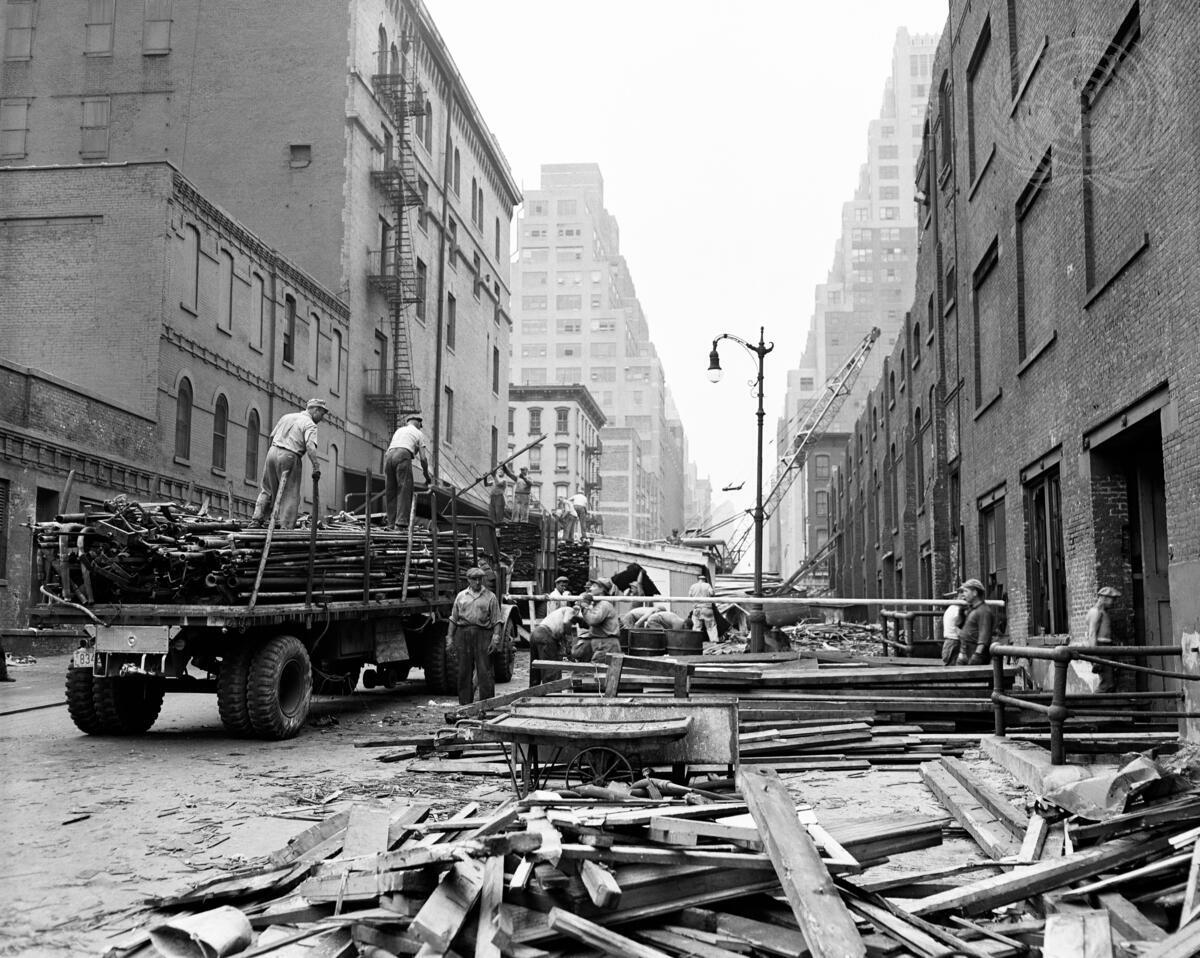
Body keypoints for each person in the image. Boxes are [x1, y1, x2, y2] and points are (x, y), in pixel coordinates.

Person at [250, 398, 327, 529]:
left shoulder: (287, 417)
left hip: (272, 452)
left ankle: (257, 519)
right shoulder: (310, 424)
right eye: (322, 413)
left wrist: (272, 455)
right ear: (315, 410)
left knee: (267, 489)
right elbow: (310, 445)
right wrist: (316, 466)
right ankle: (285, 527)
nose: (322, 418)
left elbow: (271, 437)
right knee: (290, 494)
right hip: (290, 456)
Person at [447, 567, 503, 705]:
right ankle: (465, 705)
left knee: (485, 671)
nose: (477, 582)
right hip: (463, 634)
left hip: (483, 635)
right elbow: (453, 619)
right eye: (474, 579)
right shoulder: (461, 596)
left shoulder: (490, 596)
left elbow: (497, 620)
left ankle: (487, 705)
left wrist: (495, 639)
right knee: (463, 671)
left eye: (480, 579)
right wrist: (449, 638)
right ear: (468, 580)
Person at [383, 412, 431, 529]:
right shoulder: (418, 433)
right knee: (404, 489)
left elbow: (391, 448)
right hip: (403, 455)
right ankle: (401, 523)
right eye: (420, 425)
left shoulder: (399, 431)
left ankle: (391, 523)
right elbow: (423, 459)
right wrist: (427, 476)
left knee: (391, 491)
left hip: (389, 457)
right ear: (419, 423)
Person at [529, 604, 578, 687]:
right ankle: (553, 693)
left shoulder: (558, 614)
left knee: (536, 667)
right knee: (551, 668)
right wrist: (569, 637)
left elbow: (560, 633)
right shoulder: (571, 610)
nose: (573, 624)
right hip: (545, 635)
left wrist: (567, 648)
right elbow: (566, 623)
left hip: (535, 633)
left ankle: (533, 690)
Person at [573, 578, 620, 661]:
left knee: (600, 670)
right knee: (598, 670)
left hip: (606, 644)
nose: (590, 588)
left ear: (602, 589)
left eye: (594, 586)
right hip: (602, 643)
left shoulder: (604, 604)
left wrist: (584, 607)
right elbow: (592, 624)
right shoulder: (598, 605)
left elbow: (593, 620)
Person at [1087, 585, 1121, 693]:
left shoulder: (1104, 613)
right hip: (1101, 649)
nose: (1114, 603)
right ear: (1104, 598)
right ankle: (1093, 705)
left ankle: (1108, 706)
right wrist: (1094, 655)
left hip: (1107, 648)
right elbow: (1092, 634)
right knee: (1107, 683)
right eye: (1112, 600)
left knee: (1111, 681)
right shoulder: (1096, 612)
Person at [956, 578, 994, 666]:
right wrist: (961, 614)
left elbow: (984, 636)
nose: (963, 595)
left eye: (966, 591)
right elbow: (960, 629)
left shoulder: (984, 611)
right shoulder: (972, 610)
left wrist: (977, 655)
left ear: (975, 593)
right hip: (966, 651)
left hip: (975, 652)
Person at [940, 586, 967, 666]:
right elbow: (959, 632)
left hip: (949, 642)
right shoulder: (958, 610)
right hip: (955, 642)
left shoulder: (951, 608)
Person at [689, 571, 718, 643]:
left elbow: (690, 596)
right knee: (711, 627)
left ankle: (695, 643)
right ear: (705, 579)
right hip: (707, 608)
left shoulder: (693, 586)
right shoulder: (707, 585)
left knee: (697, 627)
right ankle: (714, 642)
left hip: (697, 609)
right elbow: (712, 593)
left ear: (698, 579)